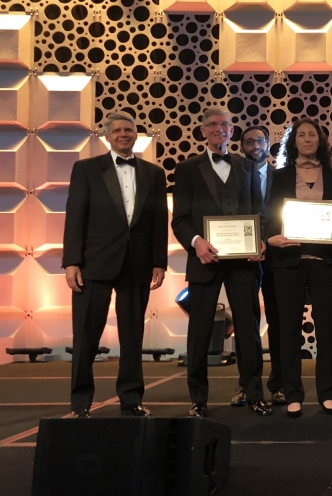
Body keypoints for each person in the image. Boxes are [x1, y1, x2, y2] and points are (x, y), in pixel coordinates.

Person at [62, 111, 167, 418]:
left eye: (129, 129)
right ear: (107, 136)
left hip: (138, 264)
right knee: (85, 336)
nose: (124, 134)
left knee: (133, 336)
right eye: (118, 130)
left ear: (136, 135)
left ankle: (131, 398)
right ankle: (81, 401)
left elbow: (160, 221)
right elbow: (75, 217)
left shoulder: (154, 173)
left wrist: (159, 261)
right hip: (94, 263)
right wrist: (72, 262)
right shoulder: (86, 169)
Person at [171, 107, 271, 417]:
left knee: (248, 328)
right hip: (205, 258)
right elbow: (180, 220)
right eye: (213, 125)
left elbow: (261, 214)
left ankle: (254, 393)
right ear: (203, 131)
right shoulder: (187, 169)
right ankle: (198, 399)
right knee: (200, 332)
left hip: (244, 261)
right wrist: (196, 242)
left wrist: (261, 241)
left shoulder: (247, 167)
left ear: (231, 132)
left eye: (225, 125)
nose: (219, 129)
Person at [264, 119, 332, 418]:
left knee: (328, 329)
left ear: (321, 141)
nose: (308, 139)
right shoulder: (279, 175)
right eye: (302, 134)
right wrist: (270, 238)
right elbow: (269, 213)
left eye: (313, 134)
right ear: (293, 141)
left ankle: (327, 392)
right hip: (288, 261)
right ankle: (292, 393)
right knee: (287, 329)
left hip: (326, 261)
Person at [237, 125, 285, 406]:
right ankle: (247, 385)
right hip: (245, 258)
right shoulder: (235, 175)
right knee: (246, 323)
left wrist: (267, 239)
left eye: (260, 140)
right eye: (249, 141)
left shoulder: (282, 178)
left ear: (268, 144)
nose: (255, 145)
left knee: (279, 322)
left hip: (278, 258)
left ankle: (278, 384)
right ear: (241, 146)